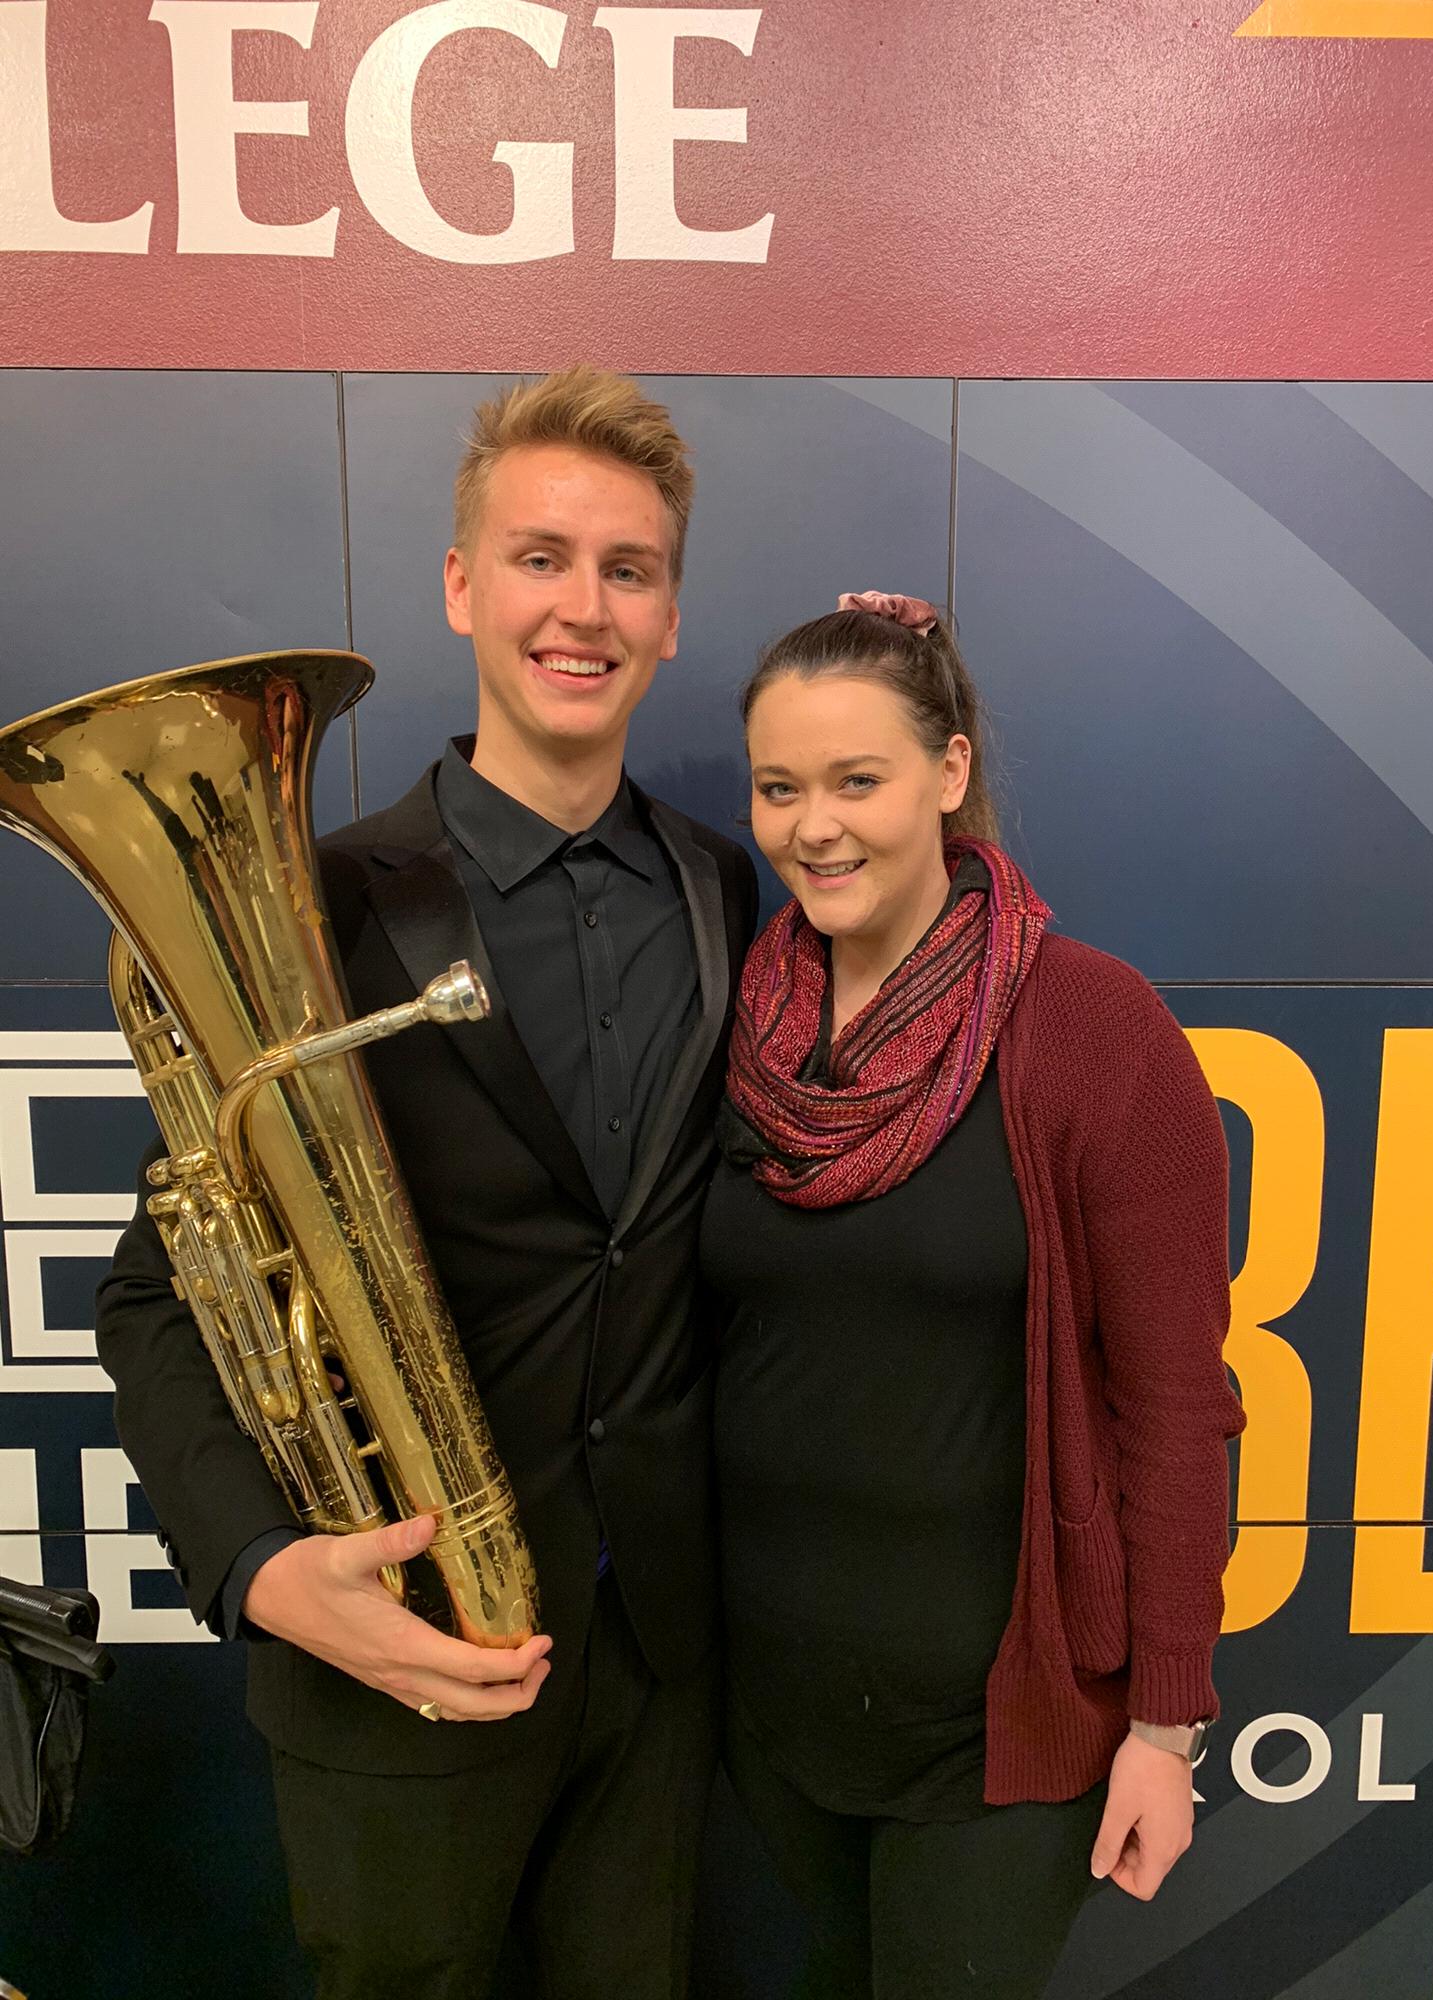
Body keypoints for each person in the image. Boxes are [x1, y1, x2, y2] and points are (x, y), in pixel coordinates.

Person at [94, 368, 758, 1999]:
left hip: (661, 1663)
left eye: (629, 568)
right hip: (396, 1651)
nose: (582, 607)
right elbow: (156, 1292)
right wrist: (260, 1569)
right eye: (540, 557)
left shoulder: (729, 890)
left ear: (672, 613)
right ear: (462, 586)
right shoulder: (308, 910)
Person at [701, 591, 1245, 1998]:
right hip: (776, 1715)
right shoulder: (740, 1027)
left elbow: (1180, 1407)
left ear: (949, 776)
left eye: (858, 780)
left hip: (996, 1743)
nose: (813, 826)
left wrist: (1168, 1728)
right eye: (778, 787)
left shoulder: (1092, 1029)